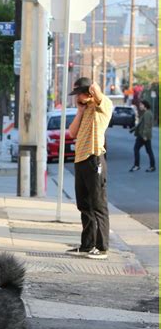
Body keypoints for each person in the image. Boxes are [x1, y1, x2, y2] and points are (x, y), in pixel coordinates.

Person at [66, 77, 113, 260]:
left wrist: (93, 90)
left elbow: (99, 94)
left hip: (94, 159)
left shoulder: (103, 105)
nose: (77, 97)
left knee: (98, 204)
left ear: (87, 92)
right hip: (80, 160)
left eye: (79, 93)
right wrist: (79, 110)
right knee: (84, 205)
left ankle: (101, 248)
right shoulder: (84, 110)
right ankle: (87, 245)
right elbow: (72, 132)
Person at [129, 100, 155, 172]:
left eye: (141, 105)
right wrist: (132, 129)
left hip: (143, 136)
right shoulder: (146, 113)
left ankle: (137, 166)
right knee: (148, 151)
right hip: (143, 135)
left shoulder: (147, 113)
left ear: (145, 105)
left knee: (137, 149)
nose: (140, 106)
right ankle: (151, 166)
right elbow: (140, 124)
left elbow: (147, 125)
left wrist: (144, 135)